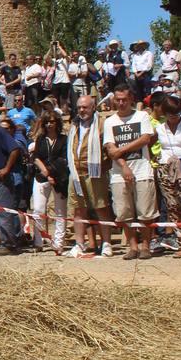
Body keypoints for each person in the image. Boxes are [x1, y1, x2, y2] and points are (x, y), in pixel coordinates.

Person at [103, 85, 157, 260]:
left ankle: (146, 245)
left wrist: (122, 150)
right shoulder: (110, 121)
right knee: (124, 211)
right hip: (119, 172)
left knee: (145, 211)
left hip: (142, 169)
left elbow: (145, 138)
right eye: (118, 100)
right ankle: (133, 246)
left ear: (131, 99)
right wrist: (123, 165)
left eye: (124, 99)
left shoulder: (142, 116)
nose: (121, 103)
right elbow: (111, 148)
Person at [66, 94, 112, 258]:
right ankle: (79, 244)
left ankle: (106, 243)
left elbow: (107, 148)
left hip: (94, 171)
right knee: (78, 209)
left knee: (101, 207)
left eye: (85, 107)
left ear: (93, 107)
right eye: (79, 107)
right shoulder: (74, 124)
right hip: (76, 172)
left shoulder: (101, 124)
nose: (81, 110)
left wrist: (104, 166)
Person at [153, 95, 181, 257]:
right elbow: (151, 146)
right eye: (170, 114)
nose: (174, 117)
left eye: (177, 113)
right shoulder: (159, 129)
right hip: (165, 169)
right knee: (173, 207)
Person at [0, 114, 25, 255]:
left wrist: (7, 169)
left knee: (3, 212)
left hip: (1, 179)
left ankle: (9, 244)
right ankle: (4, 242)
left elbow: (15, 149)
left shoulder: (0, 132)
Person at [30, 112, 68, 254]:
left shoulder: (64, 139)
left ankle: (58, 243)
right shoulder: (40, 139)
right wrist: (45, 172)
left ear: (57, 123)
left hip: (59, 178)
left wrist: (52, 174)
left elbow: (63, 159)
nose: (49, 124)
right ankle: (38, 241)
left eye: (52, 122)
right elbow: (36, 157)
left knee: (60, 211)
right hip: (41, 177)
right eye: (47, 122)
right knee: (38, 210)